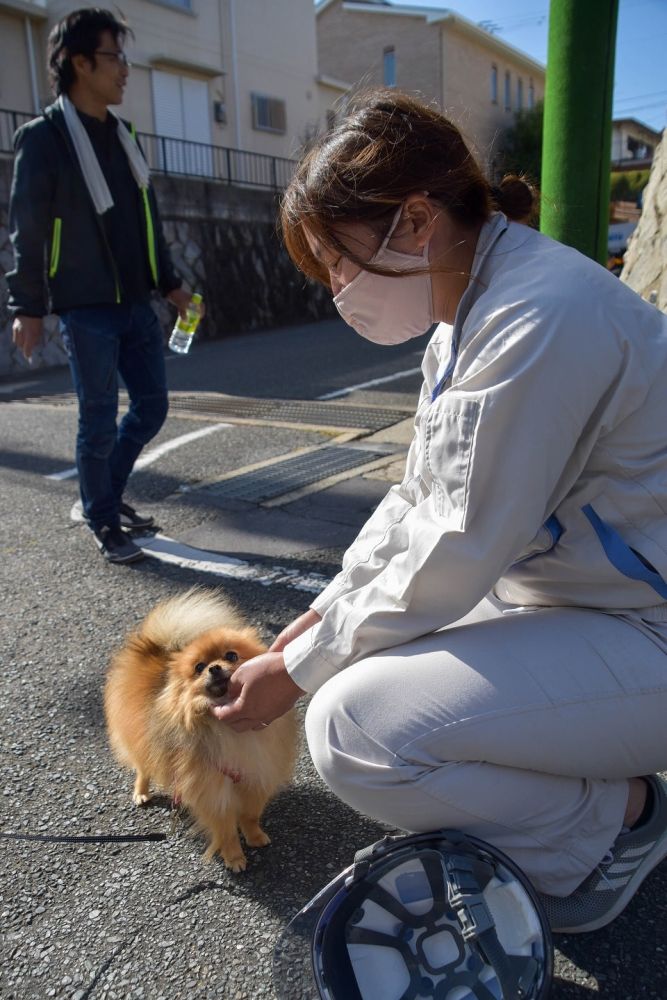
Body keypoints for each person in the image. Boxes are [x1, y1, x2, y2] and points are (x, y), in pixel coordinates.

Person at [212, 90, 667, 936]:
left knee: (354, 730)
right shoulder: (468, 311)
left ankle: (613, 826)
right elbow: (418, 499)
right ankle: (595, 798)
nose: (337, 291)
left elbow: (455, 546)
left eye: (337, 262)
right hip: (586, 598)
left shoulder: (537, 317)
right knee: (353, 666)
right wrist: (323, 614)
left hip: (646, 625)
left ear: (415, 219)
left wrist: (301, 668)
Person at [7, 8, 197, 564]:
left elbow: (147, 220)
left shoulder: (126, 136)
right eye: (115, 58)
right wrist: (28, 306)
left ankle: (107, 496)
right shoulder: (43, 139)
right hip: (85, 305)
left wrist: (171, 284)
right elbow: (29, 230)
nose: (125, 70)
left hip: (136, 302)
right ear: (81, 63)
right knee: (96, 420)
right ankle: (103, 517)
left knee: (152, 405)